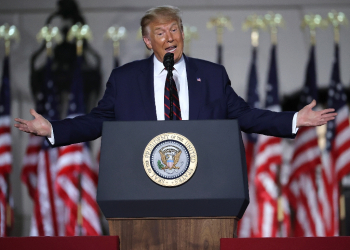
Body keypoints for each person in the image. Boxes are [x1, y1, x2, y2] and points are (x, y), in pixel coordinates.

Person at [14, 6, 336, 147]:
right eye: (160, 32)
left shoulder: (211, 76)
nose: (169, 38)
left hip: (203, 191)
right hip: (143, 193)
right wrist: (54, 128)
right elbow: (96, 121)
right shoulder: (125, 80)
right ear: (147, 41)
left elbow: (246, 116)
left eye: (174, 29)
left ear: (182, 33)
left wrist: (294, 120)